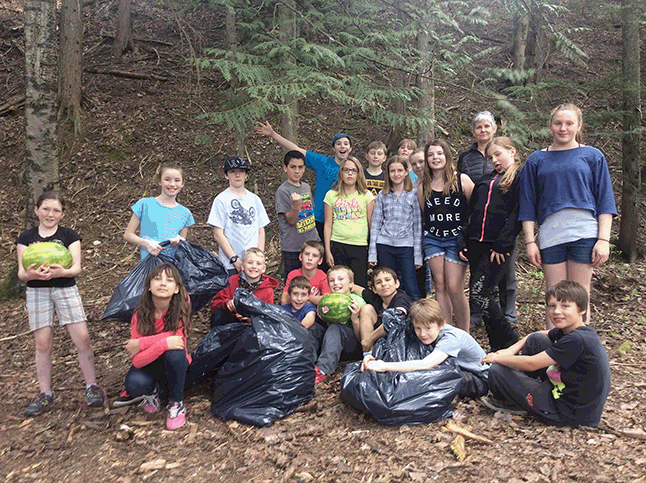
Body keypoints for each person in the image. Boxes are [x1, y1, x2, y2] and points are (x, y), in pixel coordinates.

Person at [519, 103, 617, 328]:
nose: (563, 128)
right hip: (551, 234)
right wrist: (530, 241)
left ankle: (579, 353)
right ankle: (555, 356)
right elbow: (527, 204)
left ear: (579, 125)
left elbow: (605, 201)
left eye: (569, 123)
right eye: (558, 123)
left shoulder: (592, 156)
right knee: (555, 298)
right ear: (550, 126)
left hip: (584, 233)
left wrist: (603, 240)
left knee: (579, 296)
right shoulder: (536, 160)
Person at [17, 191, 104, 416]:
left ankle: (91, 387)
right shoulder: (26, 238)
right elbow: (21, 273)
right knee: (43, 343)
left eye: (56, 210)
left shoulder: (69, 235)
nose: (50, 214)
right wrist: (32, 274)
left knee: (82, 338)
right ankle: (45, 395)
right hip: (37, 293)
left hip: (65, 289)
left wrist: (62, 271)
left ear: (62, 214)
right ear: (36, 210)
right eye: (45, 208)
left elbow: (76, 268)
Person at [483, 281, 611, 427]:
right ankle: (528, 394)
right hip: (566, 397)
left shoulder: (577, 339)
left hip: (569, 413)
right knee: (535, 340)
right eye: (552, 306)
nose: (556, 311)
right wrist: (511, 349)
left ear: (581, 310)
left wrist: (498, 357)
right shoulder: (575, 330)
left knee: (497, 370)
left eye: (565, 306)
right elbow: (539, 333)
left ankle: (521, 402)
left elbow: (531, 364)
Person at [459, 137, 522, 351]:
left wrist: (503, 244)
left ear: (512, 152)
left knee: (480, 293)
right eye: (490, 157)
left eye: (498, 155)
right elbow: (472, 213)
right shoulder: (486, 180)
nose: (494, 160)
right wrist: (463, 240)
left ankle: (510, 341)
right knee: (484, 295)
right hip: (476, 245)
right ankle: (497, 344)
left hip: (497, 248)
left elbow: (517, 214)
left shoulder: (519, 178)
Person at [361, 298, 488, 400]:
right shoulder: (431, 332)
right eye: (418, 328)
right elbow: (395, 328)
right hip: (458, 368)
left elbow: (426, 364)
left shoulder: (452, 339)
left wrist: (383, 366)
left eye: (428, 328)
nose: (422, 334)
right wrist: (373, 356)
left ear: (441, 324)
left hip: (478, 379)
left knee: (432, 375)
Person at [121, 264, 192, 430]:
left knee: (174, 353)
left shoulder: (182, 305)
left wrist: (141, 343)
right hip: (149, 362)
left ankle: (176, 403)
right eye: (157, 279)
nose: (163, 283)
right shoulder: (140, 315)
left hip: (175, 363)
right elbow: (137, 361)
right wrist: (163, 343)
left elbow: (179, 340)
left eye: (169, 280)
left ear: (176, 289)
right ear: (149, 287)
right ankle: (153, 392)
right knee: (134, 383)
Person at [255, 121, 352, 241]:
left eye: (346, 144)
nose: (342, 146)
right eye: (338, 144)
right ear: (333, 148)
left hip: (342, 220)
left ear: (350, 148)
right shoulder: (323, 162)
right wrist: (273, 134)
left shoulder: (353, 169)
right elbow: (296, 149)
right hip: (320, 219)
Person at [418, 140, 474, 332]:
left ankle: (465, 333)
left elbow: (475, 208)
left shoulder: (462, 180)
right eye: (431, 154)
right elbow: (425, 213)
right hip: (433, 238)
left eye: (439, 153)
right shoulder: (423, 185)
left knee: (454, 286)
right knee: (439, 285)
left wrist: (468, 238)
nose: (436, 158)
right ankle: (446, 331)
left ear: (447, 156)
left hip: (456, 239)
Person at [368, 156, 422, 301]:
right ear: (388, 173)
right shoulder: (382, 195)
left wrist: (418, 256)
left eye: (400, 170)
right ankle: (390, 316)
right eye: (392, 171)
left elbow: (417, 227)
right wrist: (372, 253)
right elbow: (375, 225)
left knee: (410, 286)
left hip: (406, 246)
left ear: (406, 172)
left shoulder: (414, 194)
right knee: (388, 286)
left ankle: (417, 318)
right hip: (384, 245)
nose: (396, 174)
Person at [207, 156, 270, 276]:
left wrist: (259, 258)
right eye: (232, 172)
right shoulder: (221, 200)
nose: (237, 175)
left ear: (246, 175)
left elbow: (260, 230)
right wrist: (234, 259)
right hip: (229, 263)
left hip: (253, 264)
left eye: (241, 171)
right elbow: (218, 234)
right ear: (226, 175)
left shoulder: (255, 199)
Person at [124, 162, 195, 260]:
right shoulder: (144, 204)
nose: (172, 184)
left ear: (182, 183)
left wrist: (179, 242)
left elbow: (183, 242)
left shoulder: (185, 213)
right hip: (148, 266)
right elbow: (128, 235)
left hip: (172, 269)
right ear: (159, 181)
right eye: (167, 179)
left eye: (177, 180)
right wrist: (146, 244)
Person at [323, 156, 375, 287]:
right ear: (341, 172)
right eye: (346, 170)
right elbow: (328, 225)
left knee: (358, 284)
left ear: (359, 173)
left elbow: (372, 225)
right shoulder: (331, 195)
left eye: (354, 170)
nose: (350, 173)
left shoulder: (367, 195)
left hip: (359, 246)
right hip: (337, 244)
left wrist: (373, 251)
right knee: (338, 283)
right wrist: (328, 251)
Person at [314, 266, 362, 384]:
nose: (336, 283)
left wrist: (355, 318)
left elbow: (362, 338)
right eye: (332, 280)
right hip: (334, 345)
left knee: (336, 328)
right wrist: (324, 320)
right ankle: (305, 363)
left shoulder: (356, 301)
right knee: (314, 328)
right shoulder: (327, 300)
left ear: (351, 284)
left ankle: (323, 370)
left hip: (353, 345)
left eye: (341, 279)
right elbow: (329, 328)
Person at [275, 150, 319, 276]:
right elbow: (291, 220)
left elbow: (310, 211)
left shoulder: (305, 187)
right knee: (294, 284)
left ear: (304, 168)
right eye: (293, 167)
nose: (297, 171)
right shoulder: (283, 191)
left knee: (312, 281)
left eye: (300, 167)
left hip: (311, 242)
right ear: (285, 168)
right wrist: (295, 206)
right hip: (293, 247)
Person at [210, 248, 278, 328]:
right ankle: (219, 339)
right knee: (218, 315)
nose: (254, 266)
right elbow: (215, 305)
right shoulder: (231, 281)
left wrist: (249, 318)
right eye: (250, 263)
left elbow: (267, 316)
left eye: (258, 264)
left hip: (253, 327)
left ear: (264, 268)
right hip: (231, 321)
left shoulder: (268, 290)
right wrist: (226, 303)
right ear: (242, 266)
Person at [354, 266, 413, 352]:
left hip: (403, 343)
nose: (383, 284)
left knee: (392, 318)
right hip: (382, 342)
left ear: (397, 283)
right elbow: (356, 288)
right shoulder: (377, 298)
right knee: (366, 309)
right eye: (378, 282)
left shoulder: (401, 298)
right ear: (374, 289)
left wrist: (370, 339)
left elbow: (395, 318)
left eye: (387, 280)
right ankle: (368, 354)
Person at [281, 276, 326, 354]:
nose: (299, 299)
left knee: (314, 329)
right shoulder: (283, 309)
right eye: (295, 294)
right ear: (289, 295)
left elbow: (307, 322)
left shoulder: (309, 309)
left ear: (308, 297)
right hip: (287, 344)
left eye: (303, 295)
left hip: (305, 342)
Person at [280, 241, 330, 306]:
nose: (310, 258)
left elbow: (327, 300)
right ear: (300, 256)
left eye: (314, 256)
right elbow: (284, 301)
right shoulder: (293, 274)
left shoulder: (323, 277)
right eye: (307, 254)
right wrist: (314, 300)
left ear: (320, 261)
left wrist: (305, 297)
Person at [409, 148, 430, 298]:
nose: (418, 166)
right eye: (414, 164)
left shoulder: (439, 181)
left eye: (421, 161)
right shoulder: (410, 185)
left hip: (438, 231)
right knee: (418, 269)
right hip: (416, 231)